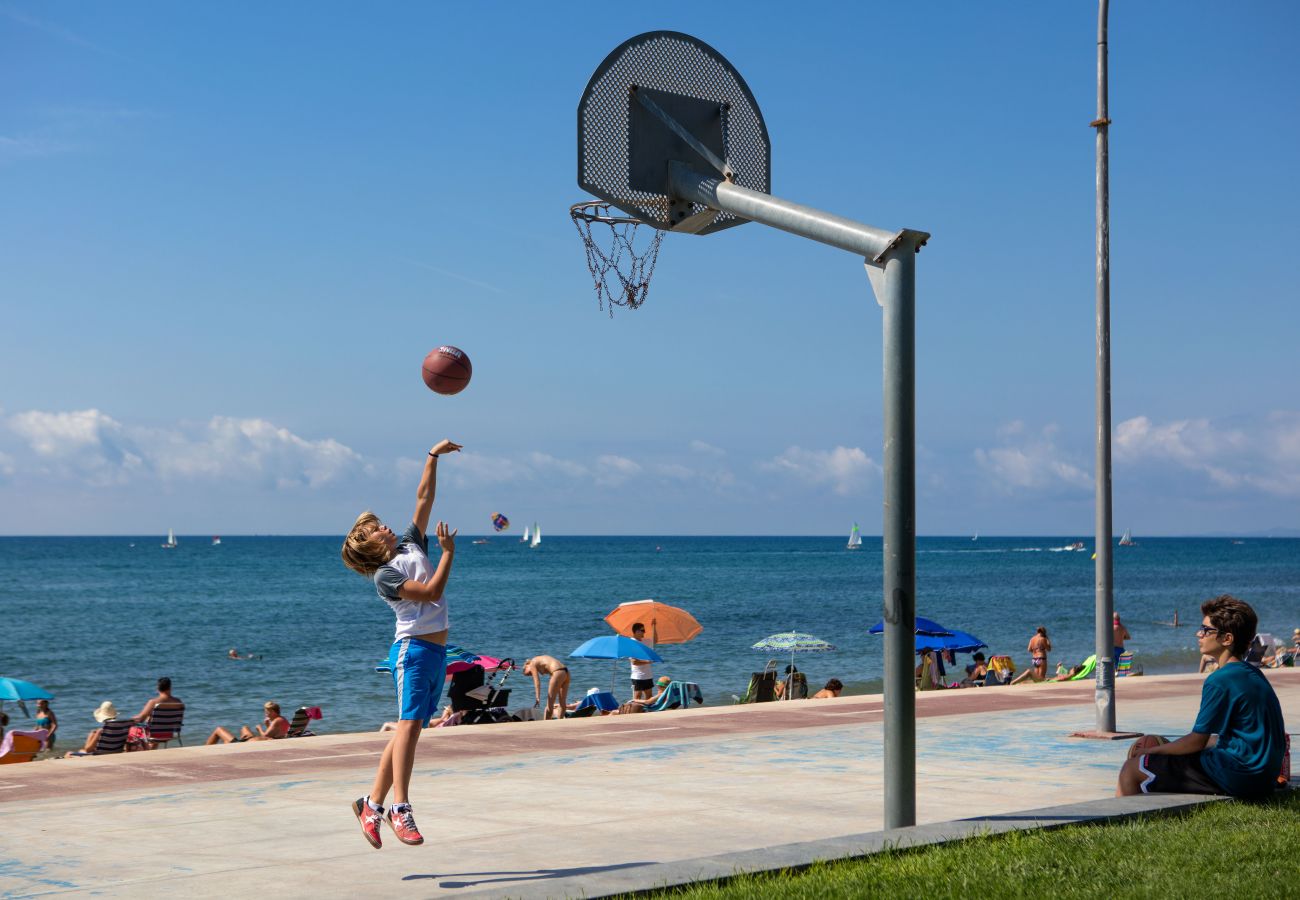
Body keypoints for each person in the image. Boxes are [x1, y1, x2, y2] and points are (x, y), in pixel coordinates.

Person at [340, 437, 462, 849]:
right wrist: (447, 554)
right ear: (371, 546)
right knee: (408, 726)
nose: (383, 526)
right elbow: (429, 593)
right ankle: (400, 808)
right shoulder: (385, 576)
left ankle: (369, 804)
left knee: (410, 730)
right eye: (375, 529)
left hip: (436, 651)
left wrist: (432, 456)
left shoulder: (409, 543)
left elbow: (423, 497)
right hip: (413, 651)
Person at [1116, 595, 1286, 799]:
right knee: (1205, 745)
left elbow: (1196, 741)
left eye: (1206, 630)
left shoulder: (1219, 680)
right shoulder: (1253, 674)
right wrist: (1171, 747)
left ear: (1227, 639)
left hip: (1238, 776)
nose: (1199, 634)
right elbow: (1219, 738)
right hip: (1263, 776)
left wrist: (1153, 752)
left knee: (1132, 768)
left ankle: (1118, 821)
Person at [127, 677, 184, 747]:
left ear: (158, 688)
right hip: (169, 733)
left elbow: (141, 719)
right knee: (152, 723)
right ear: (170, 687)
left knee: (131, 730)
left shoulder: (153, 702)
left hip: (153, 734)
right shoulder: (179, 702)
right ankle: (150, 749)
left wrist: (128, 721)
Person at [206, 702, 289, 744]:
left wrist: (259, 729)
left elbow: (265, 736)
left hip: (250, 743)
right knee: (244, 728)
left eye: (267, 712)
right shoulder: (282, 719)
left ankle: (206, 749)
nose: (265, 714)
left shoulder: (277, 720)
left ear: (273, 712)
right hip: (251, 740)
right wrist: (267, 725)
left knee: (218, 729)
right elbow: (272, 735)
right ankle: (234, 742)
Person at [523, 656, 571, 720]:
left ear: (526, 666)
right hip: (566, 672)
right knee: (562, 703)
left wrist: (537, 697)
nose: (531, 674)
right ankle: (560, 721)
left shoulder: (532, 663)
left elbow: (537, 681)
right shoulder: (539, 659)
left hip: (557, 672)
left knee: (549, 706)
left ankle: (546, 724)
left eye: (529, 673)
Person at [628, 621, 658, 701]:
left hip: (647, 675)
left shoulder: (644, 641)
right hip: (638, 676)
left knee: (649, 697)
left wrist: (654, 626)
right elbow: (634, 662)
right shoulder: (632, 643)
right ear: (637, 631)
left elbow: (655, 640)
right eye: (642, 630)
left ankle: (647, 712)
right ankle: (636, 713)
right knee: (637, 698)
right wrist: (647, 662)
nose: (644, 632)